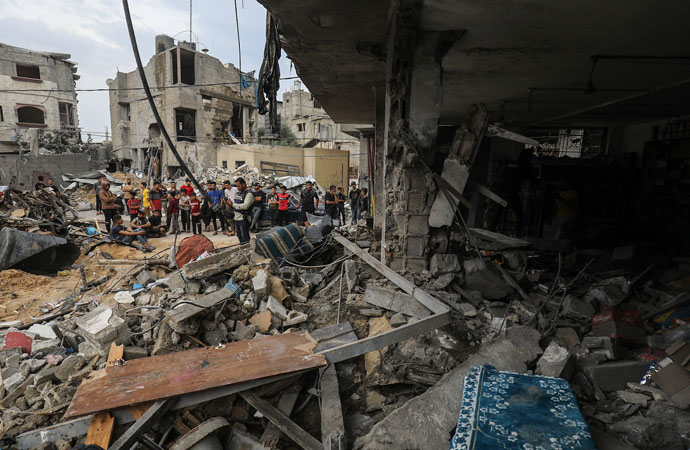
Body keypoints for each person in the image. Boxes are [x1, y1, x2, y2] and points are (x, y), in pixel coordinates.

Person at [227, 177, 254, 244]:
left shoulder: (249, 194)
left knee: (245, 237)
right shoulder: (239, 193)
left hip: (244, 218)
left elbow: (245, 206)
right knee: (239, 236)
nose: (237, 188)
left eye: (238, 186)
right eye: (236, 186)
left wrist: (233, 204)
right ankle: (243, 247)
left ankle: (247, 248)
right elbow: (236, 203)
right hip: (237, 217)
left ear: (243, 184)